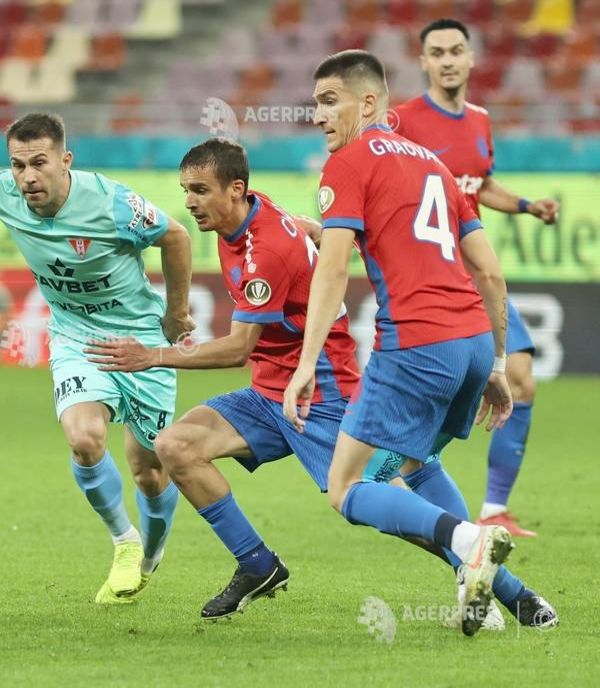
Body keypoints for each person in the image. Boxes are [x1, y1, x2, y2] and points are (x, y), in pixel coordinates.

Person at [87, 138, 555, 631]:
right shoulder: (254, 212)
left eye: (200, 190)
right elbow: (303, 235)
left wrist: (152, 357)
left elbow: (237, 348)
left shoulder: (263, 251)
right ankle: (257, 564)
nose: (189, 202)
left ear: (236, 190)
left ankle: (510, 589)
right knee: (176, 446)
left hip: (320, 396)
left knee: (381, 500)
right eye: (186, 190)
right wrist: (311, 229)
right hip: (269, 393)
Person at [284, 49, 522, 637]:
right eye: (315, 102)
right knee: (418, 464)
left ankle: (466, 541)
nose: (318, 115)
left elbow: (332, 271)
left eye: (328, 100)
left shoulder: (347, 162)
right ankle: (517, 601)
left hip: (415, 346)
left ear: (368, 102)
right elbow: (490, 273)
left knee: (345, 488)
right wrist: (494, 361)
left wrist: (306, 362)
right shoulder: (434, 165)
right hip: (470, 345)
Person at [0, 113, 196, 604]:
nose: (27, 176)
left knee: (149, 469)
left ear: (66, 161)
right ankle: (124, 542)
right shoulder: (7, 190)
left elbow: (176, 236)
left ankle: (151, 554)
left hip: (139, 339)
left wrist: (175, 316)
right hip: (75, 337)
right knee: (85, 439)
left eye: (39, 163)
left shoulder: (111, 204)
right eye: (18, 164)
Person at [391, 18, 559, 536]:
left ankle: (492, 511)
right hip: (432, 278)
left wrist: (527, 205)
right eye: (436, 51)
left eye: (456, 50)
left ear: (470, 58)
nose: (446, 60)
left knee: (522, 377)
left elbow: (478, 186)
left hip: (476, 275)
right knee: (442, 396)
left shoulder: (480, 120)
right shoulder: (402, 122)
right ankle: (395, 475)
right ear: (422, 61)